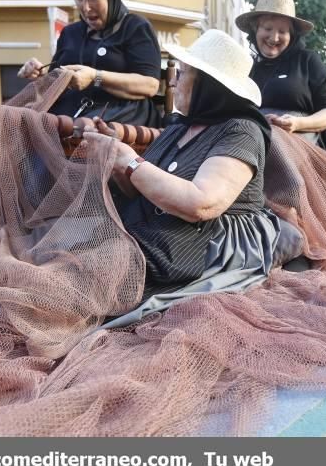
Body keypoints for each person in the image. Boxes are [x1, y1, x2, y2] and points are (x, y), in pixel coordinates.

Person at [83, 30, 279, 289]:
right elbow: (138, 189)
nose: (172, 81)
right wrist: (116, 157)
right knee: (78, 259)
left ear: (208, 85)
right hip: (159, 235)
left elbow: (202, 204)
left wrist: (130, 161)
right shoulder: (180, 126)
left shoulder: (241, 131)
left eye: (182, 73)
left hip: (206, 250)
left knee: (90, 276)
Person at [18, 0, 162, 127]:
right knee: (21, 120)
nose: (86, 7)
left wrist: (96, 77)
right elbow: (55, 81)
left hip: (122, 119)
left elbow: (150, 86)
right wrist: (40, 74)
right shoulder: (70, 33)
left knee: (80, 129)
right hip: (70, 115)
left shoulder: (135, 27)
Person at [235, 0, 326, 154]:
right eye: (267, 29)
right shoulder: (248, 68)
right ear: (256, 30)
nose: (274, 37)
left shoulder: (308, 60)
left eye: (282, 31)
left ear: (291, 35)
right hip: (253, 143)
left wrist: (297, 123)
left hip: (301, 148)